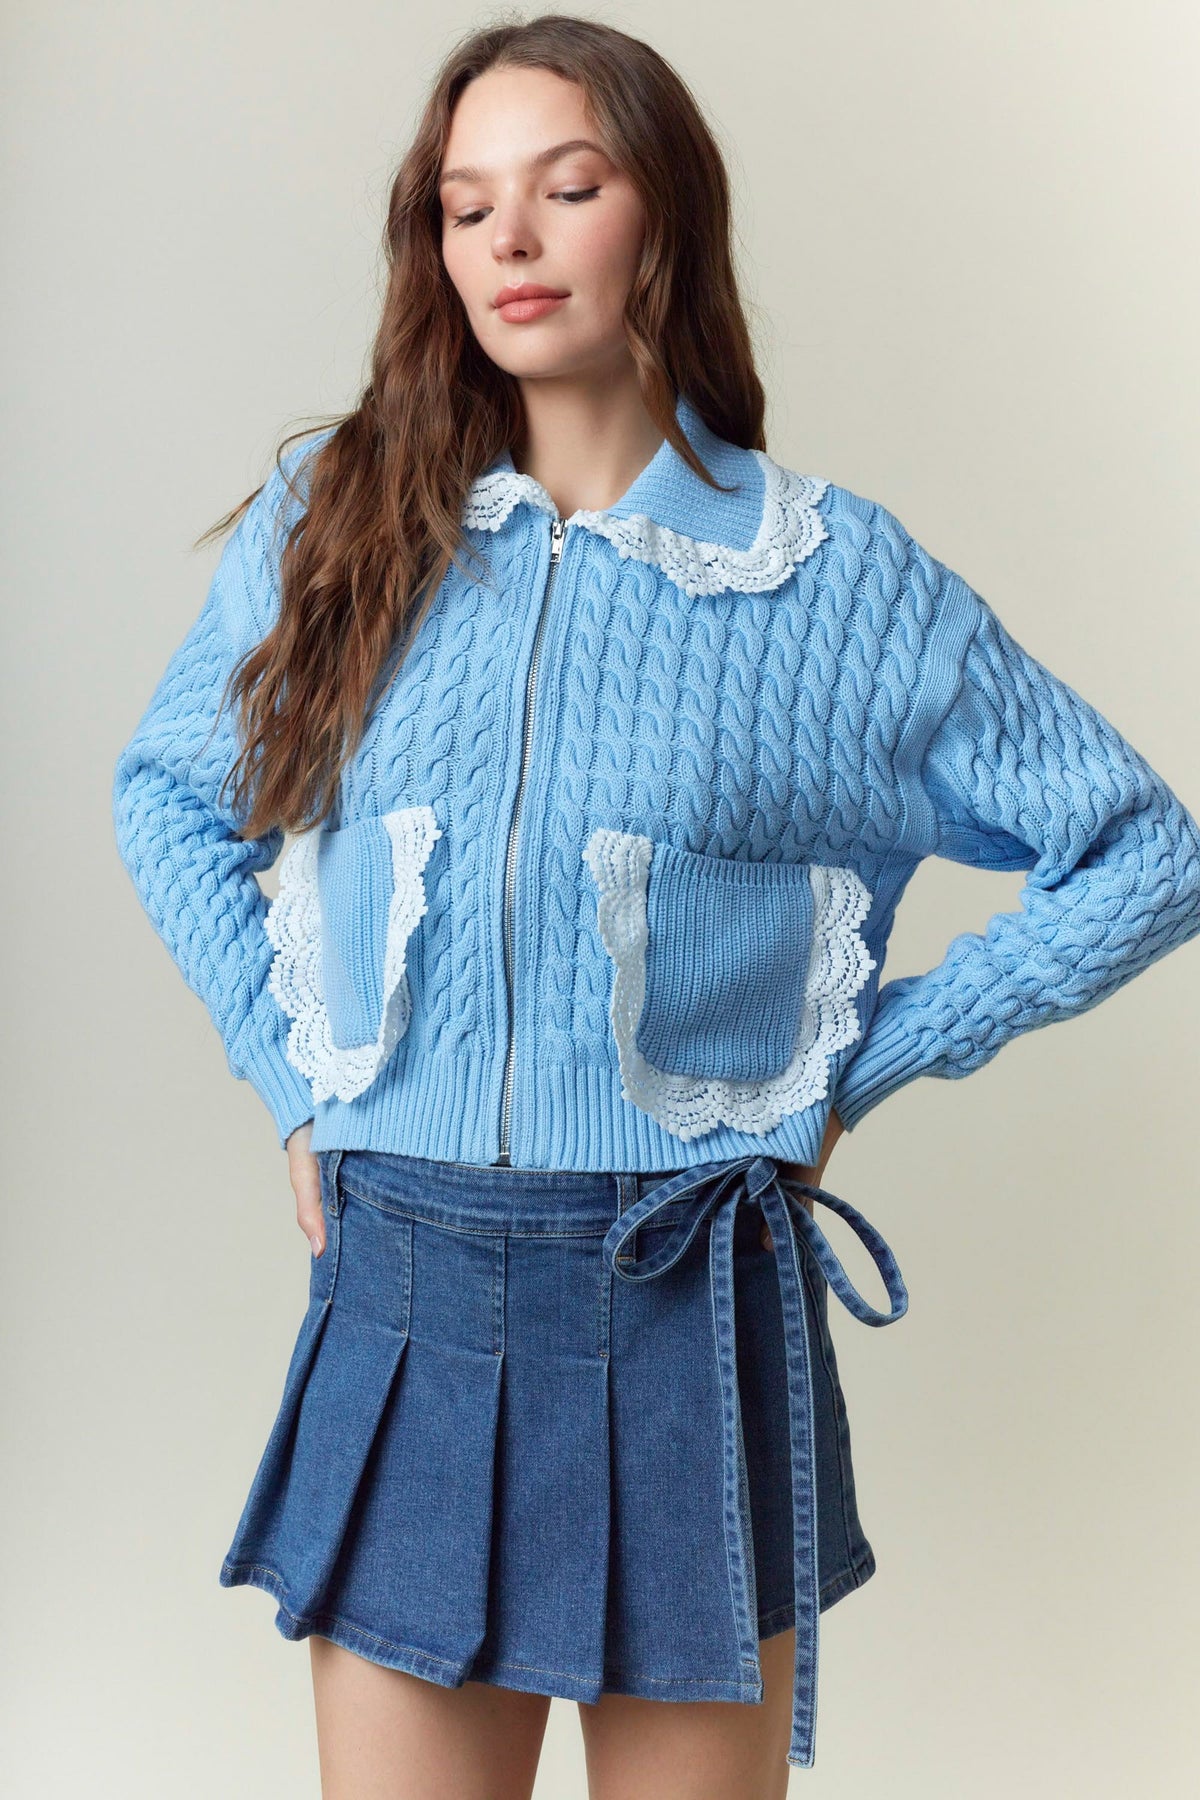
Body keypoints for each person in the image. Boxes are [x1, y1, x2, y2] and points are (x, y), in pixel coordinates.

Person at [110, 16, 1200, 1800]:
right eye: (465, 204)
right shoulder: (341, 522)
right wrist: (291, 1075)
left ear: (663, 214)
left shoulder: (837, 583)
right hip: (403, 1285)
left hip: (690, 1297)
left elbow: (1145, 847)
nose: (508, 240)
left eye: (567, 186)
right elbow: (169, 792)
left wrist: (859, 1065)